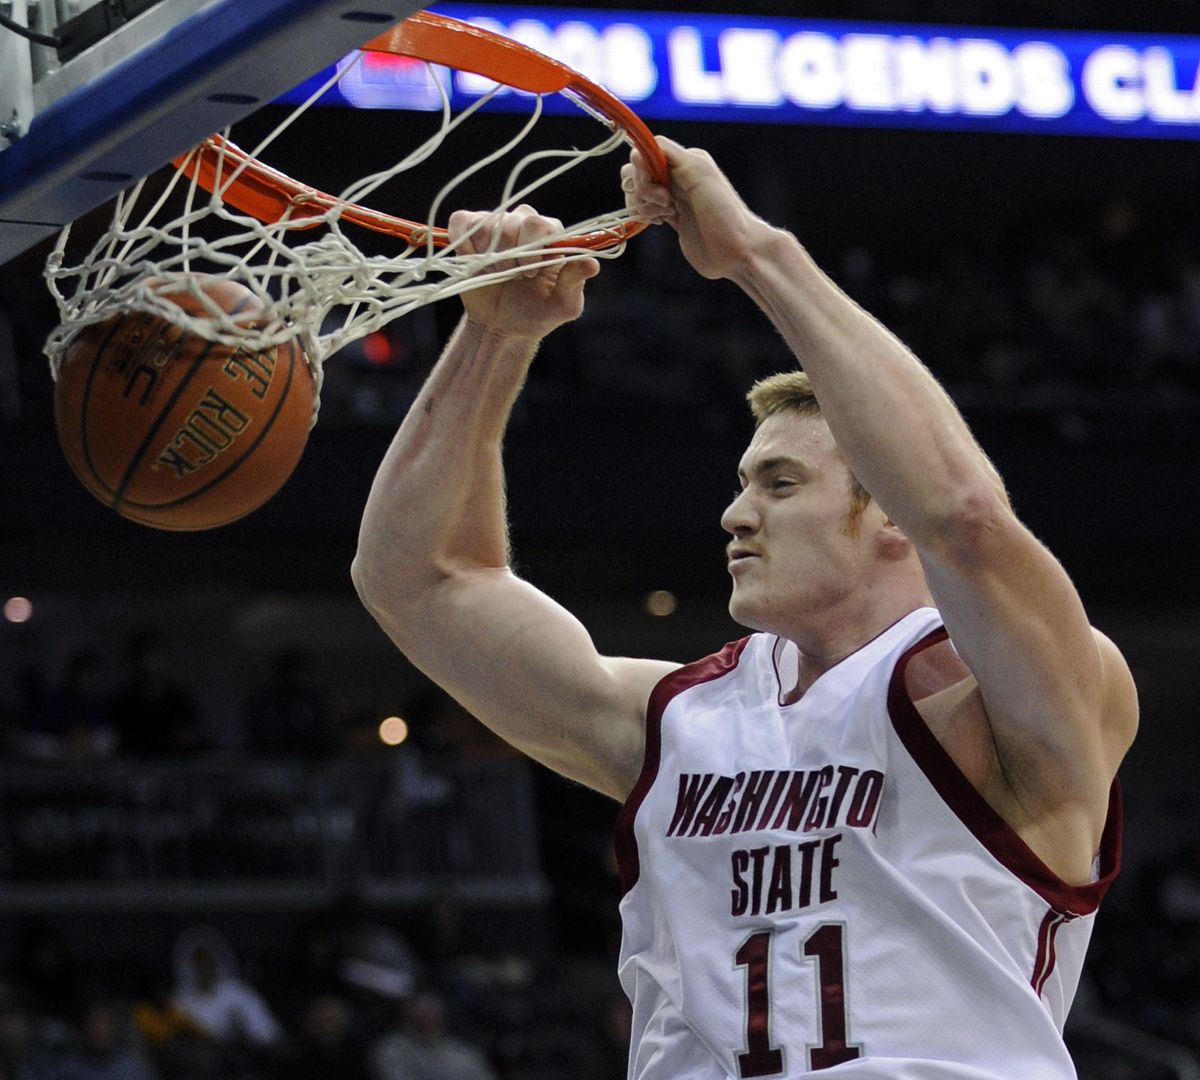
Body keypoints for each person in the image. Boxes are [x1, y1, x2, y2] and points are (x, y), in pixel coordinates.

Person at [352, 138, 1137, 1079]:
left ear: (887, 507)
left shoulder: (1006, 695)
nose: (734, 513)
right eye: (740, 481)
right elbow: (419, 581)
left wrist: (755, 256)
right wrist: (493, 333)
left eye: (779, 482)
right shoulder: (680, 719)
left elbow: (966, 518)